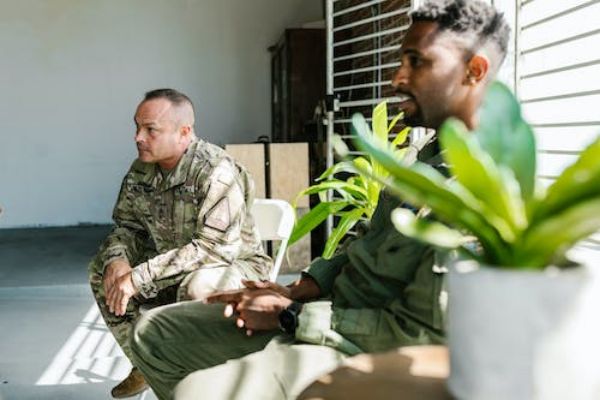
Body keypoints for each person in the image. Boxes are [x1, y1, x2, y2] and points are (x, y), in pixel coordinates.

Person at [130, 1, 510, 399]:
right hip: (328, 308)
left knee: (199, 392)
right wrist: (297, 289)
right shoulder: (425, 157)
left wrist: (292, 317)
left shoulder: (480, 193)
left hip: (361, 346)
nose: (397, 77)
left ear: (474, 70)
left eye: (417, 61)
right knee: (153, 334)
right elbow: (366, 242)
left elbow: (417, 335)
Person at [88, 88, 271, 398]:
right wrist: (118, 259)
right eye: (137, 127)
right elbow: (129, 226)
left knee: (197, 286)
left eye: (151, 129)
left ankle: (202, 383)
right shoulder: (141, 170)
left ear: (184, 132)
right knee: (102, 271)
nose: (138, 137)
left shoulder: (215, 171)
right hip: (171, 264)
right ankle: (149, 365)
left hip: (233, 268)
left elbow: (214, 249)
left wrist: (139, 276)